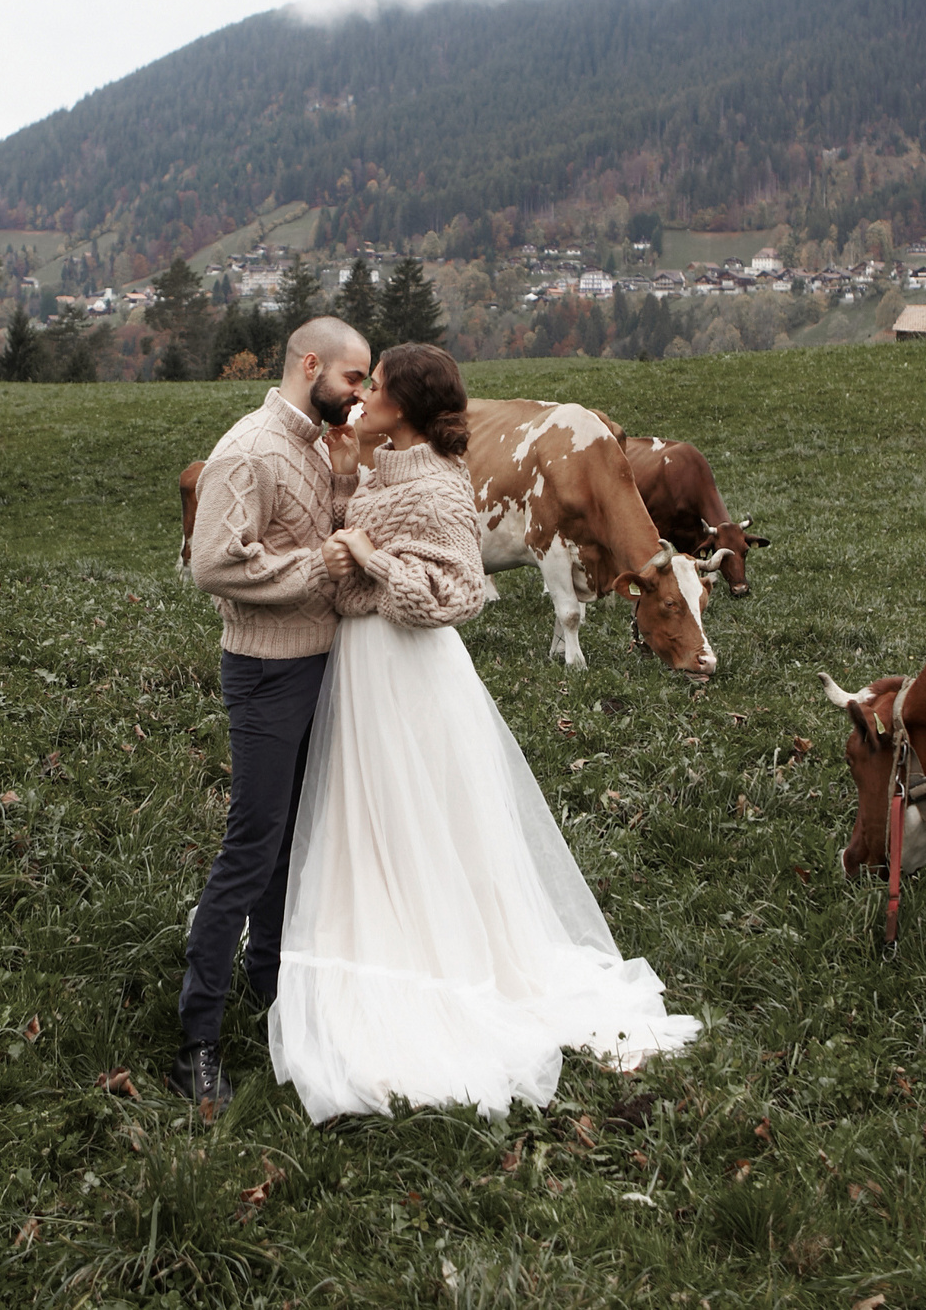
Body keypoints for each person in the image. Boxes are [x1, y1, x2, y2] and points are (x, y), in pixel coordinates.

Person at [270, 343, 701, 1123]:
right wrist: (345, 511)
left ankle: (433, 953)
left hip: (406, 664)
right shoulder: (382, 462)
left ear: (410, 400)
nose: (367, 392)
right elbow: (365, 514)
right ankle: (377, 922)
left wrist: (369, 560)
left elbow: (462, 593)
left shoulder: (439, 480)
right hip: (363, 663)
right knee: (370, 810)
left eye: (379, 384)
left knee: (417, 808)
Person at [175, 315, 374, 1118]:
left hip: (316, 662)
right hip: (265, 671)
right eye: (354, 379)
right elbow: (213, 563)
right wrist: (315, 566)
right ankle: (195, 1040)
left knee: (291, 839)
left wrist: (349, 481)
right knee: (251, 846)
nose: (360, 395)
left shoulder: (316, 446)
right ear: (311, 364)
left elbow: (318, 530)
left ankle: (269, 983)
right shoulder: (251, 448)